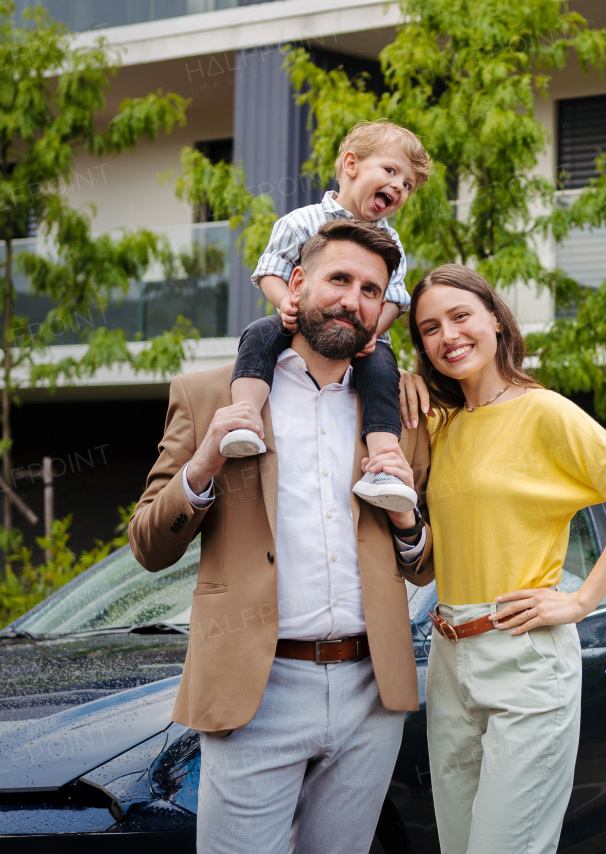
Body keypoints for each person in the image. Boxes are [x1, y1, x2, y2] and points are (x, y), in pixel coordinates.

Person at [129, 220, 434, 854]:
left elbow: (426, 566)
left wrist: (407, 520)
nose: (353, 299)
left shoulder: (399, 413)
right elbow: (149, 545)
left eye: (371, 290)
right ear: (297, 283)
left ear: (384, 308)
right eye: (340, 279)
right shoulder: (211, 393)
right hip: (255, 690)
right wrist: (207, 459)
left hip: (371, 692)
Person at [401, 263, 606, 854]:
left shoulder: (543, 411)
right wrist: (397, 380)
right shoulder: (442, 425)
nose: (447, 336)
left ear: (496, 321)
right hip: (447, 656)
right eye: (429, 328)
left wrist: (581, 600)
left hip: (523, 656)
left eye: (460, 316)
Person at [218, 119, 432, 513]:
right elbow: (270, 269)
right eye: (390, 171)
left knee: (382, 370)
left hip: (363, 336)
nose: (400, 187)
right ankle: (244, 416)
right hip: (298, 322)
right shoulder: (301, 221)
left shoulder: (391, 241)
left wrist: (373, 333)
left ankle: (383, 459)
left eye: (408, 185)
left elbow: (396, 298)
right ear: (351, 164)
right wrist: (287, 303)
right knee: (258, 335)